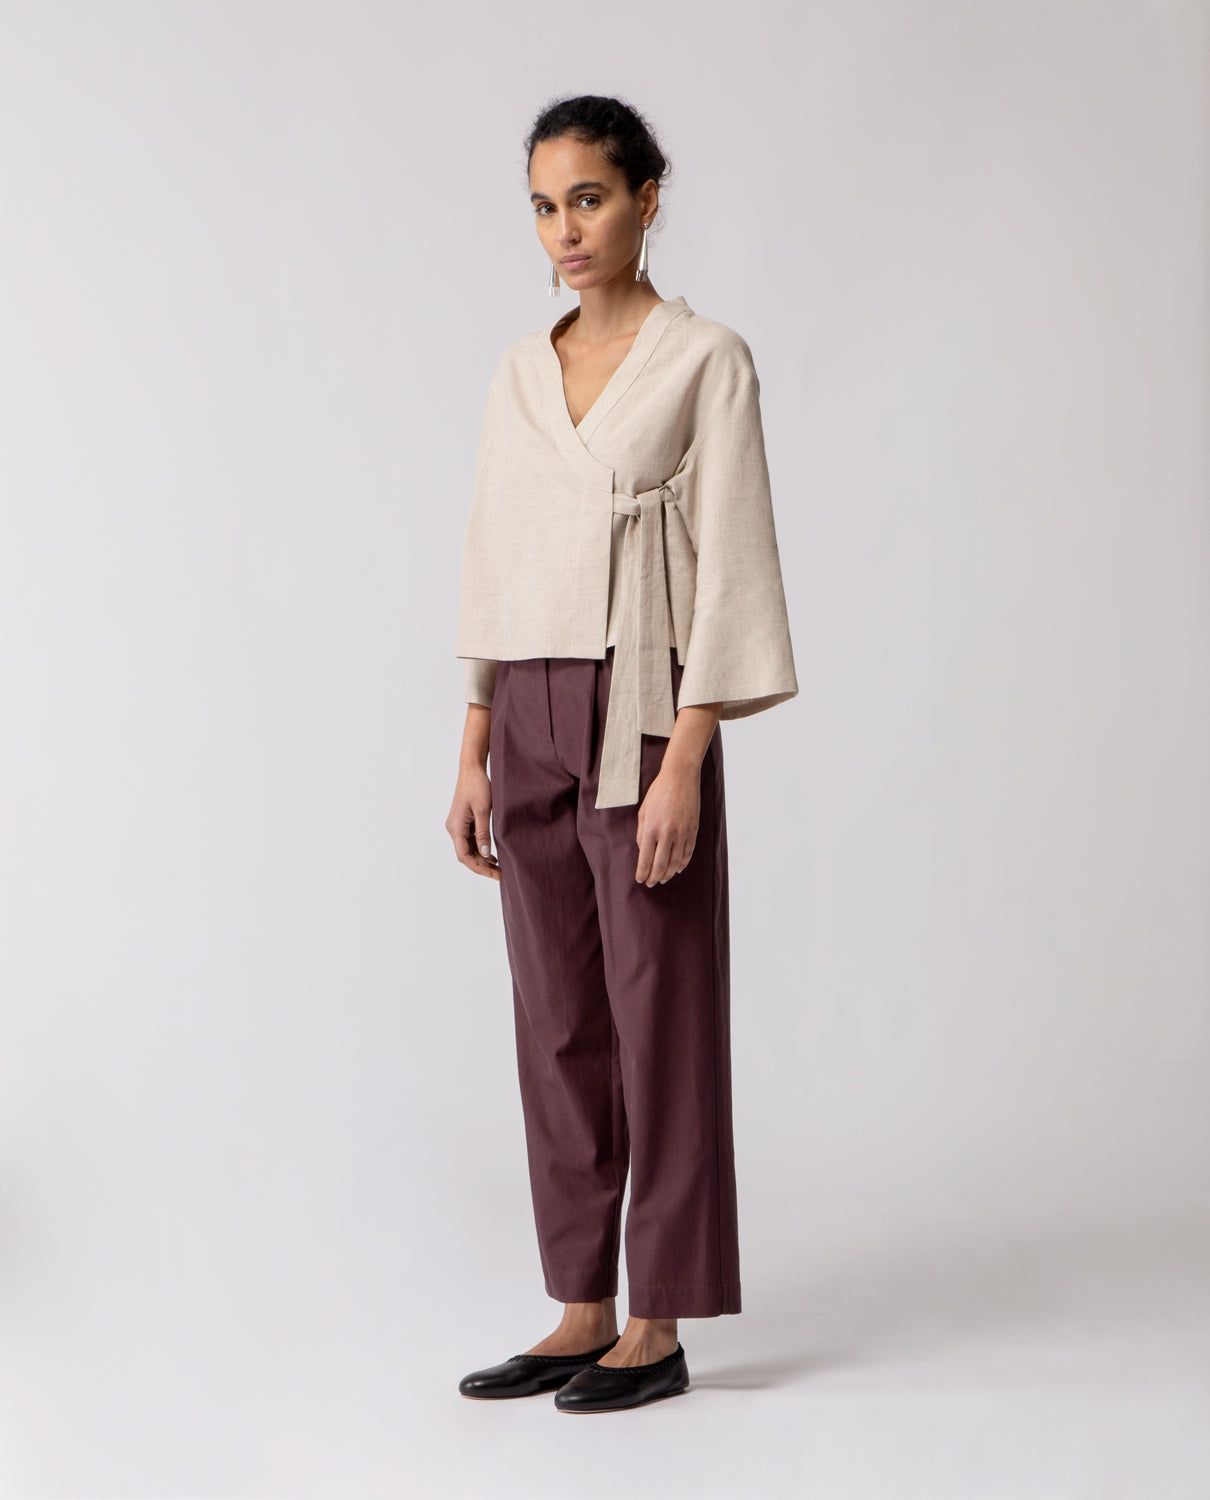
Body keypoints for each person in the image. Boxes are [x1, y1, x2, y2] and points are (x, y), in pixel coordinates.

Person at [446, 94, 798, 1414]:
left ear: (649, 196)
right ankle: (578, 1305)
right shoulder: (519, 369)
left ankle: (657, 1321)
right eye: (545, 206)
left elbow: (735, 556)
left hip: (643, 700)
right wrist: (474, 742)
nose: (565, 230)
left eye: (588, 198)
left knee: (662, 1013)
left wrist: (686, 758)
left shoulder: (705, 358)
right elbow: (492, 551)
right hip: (527, 702)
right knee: (557, 1022)